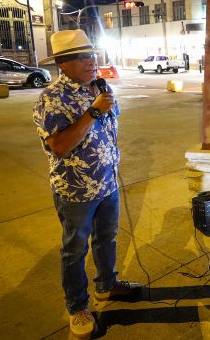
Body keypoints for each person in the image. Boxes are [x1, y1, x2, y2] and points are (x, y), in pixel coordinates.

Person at [33, 30, 141, 339]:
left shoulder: (99, 87)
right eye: (83, 57)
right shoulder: (51, 99)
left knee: (107, 238)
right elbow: (60, 146)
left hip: (107, 183)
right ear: (62, 64)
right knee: (74, 250)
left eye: (92, 55)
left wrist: (100, 105)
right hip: (76, 191)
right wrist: (93, 111)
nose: (92, 61)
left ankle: (107, 286)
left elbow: (109, 128)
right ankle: (77, 306)